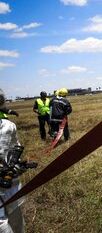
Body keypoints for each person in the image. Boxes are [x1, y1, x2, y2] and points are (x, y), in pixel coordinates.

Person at [0, 89, 25, 233]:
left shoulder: (9, 127)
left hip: (10, 184)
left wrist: (17, 165)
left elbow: (15, 148)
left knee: (16, 221)